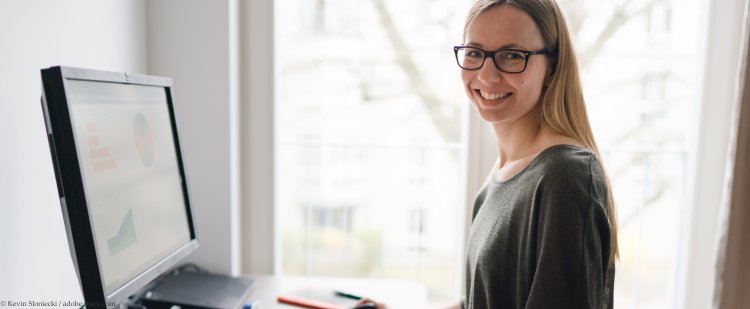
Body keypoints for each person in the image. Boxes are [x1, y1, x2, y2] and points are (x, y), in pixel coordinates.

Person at [355, 0, 617, 308]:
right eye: (475, 53)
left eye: (512, 55)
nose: (487, 75)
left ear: (552, 68)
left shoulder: (564, 177)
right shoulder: (505, 172)